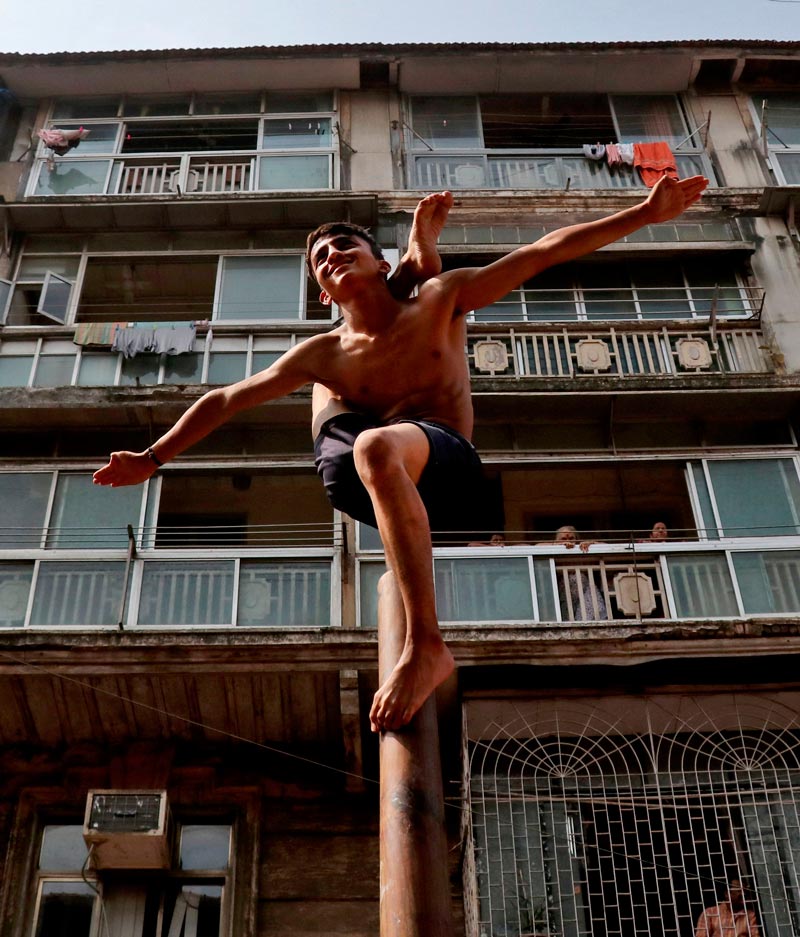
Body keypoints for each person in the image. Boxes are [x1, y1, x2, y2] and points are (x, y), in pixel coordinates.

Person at [93, 174, 707, 733]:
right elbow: (227, 399)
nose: (332, 258)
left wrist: (642, 214)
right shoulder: (324, 356)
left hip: (452, 468)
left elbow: (543, 252)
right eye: (320, 261)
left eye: (344, 248)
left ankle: (426, 645)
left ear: (377, 261)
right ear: (322, 291)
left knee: (377, 442)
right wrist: (152, 458)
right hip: (375, 475)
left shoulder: (440, 299)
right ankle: (414, 624)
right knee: (362, 439)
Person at [542, 525, 608, 620]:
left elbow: (607, 547)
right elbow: (535, 546)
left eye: (571, 538)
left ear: (576, 540)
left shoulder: (582, 550)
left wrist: (591, 544)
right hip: (563, 597)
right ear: (556, 541)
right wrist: (557, 546)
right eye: (563, 538)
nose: (568, 540)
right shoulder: (552, 551)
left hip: (585, 597)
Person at [695, 878, 760, 937]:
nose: (744, 894)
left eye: (745, 891)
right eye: (739, 890)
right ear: (727, 894)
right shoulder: (709, 913)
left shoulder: (750, 915)